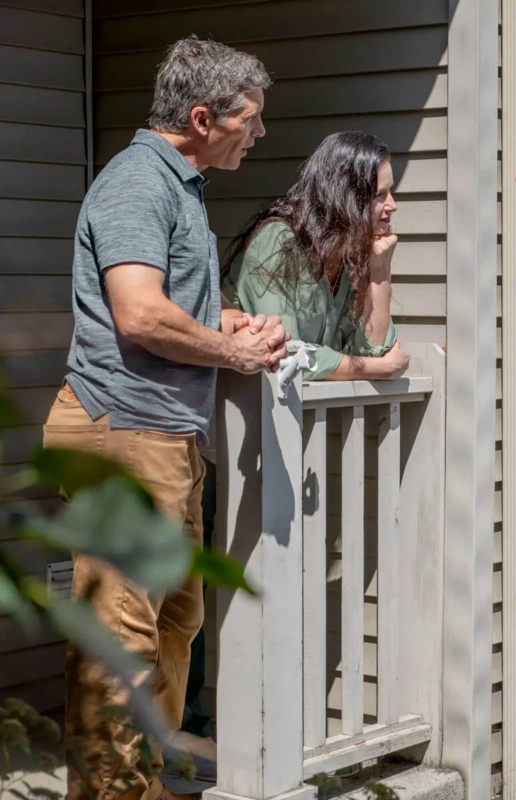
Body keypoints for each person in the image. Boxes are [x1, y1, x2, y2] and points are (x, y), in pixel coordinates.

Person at [42, 36, 288, 800]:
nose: (261, 132)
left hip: (166, 437)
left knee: (175, 623)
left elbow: (173, 301)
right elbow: (141, 316)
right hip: (124, 433)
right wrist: (232, 353)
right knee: (120, 641)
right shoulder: (136, 184)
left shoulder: (180, 185)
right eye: (250, 119)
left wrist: (232, 320)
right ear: (203, 116)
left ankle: (136, 784)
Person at [221, 131, 410, 380]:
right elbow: (285, 354)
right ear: (345, 198)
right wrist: (376, 369)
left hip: (305, 415)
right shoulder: (279, 241)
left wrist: (380, 274)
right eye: (379, 195)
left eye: (390, 191)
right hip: (255, 411)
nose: (392, 205)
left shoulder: (349, 255)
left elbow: (375, 352)